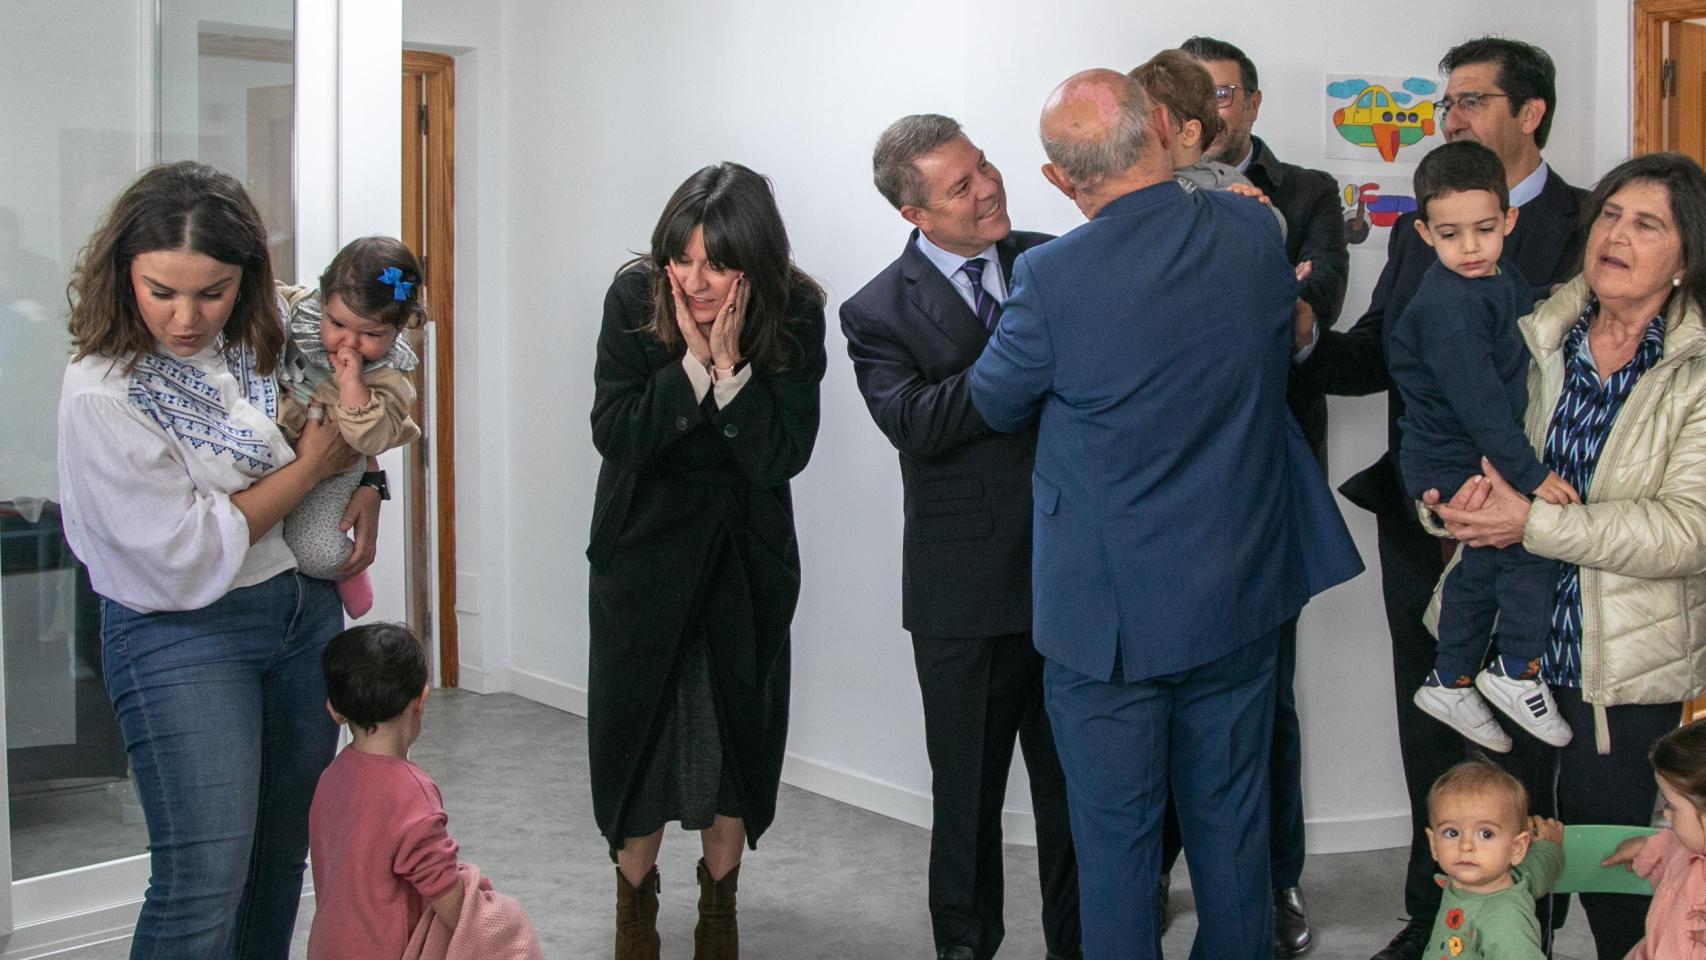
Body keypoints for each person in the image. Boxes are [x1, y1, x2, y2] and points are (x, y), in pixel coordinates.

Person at [969, 68, 1362, 960]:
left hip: (1108, 620)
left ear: (1059, 181)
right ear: (1161, 128)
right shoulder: (1251, 231)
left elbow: (995, 401)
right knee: (1231, 826)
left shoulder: (1050, 276)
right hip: (1238, 590)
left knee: (1116, 844)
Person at [1291, 37, 1587, 960]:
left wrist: (1531, 491)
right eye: (1446, 103)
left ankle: (1522, 926)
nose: (1449, 117)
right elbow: (1383, 348)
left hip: (1533, 517)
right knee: (1437, 712)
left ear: (1528, 114)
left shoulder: (1589, 224)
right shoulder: (1420, 225)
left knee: (1530, 718)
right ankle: (1437, 921)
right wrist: (1302, 335)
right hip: (1427, 518)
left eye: (1468, 102)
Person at [56, 160, 380, 958]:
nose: (186, 317)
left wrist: (366, 474)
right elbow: (185, 554)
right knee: (203, 886)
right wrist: (309, 468)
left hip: (301, 614)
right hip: (180, 634)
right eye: (161, 290)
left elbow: (355, 389)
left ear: (248, 279)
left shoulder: (274, 327)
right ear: (122, 273)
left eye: (213, 292)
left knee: (277, 867)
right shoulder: (103, 391)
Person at [1426, 151, 1706, 960]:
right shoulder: (1533, 321)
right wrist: (1446, 504)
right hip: (1496, 653)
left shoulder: (1693, 370)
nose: (1615, 234)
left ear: (1685, 257)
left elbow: (1686, 531)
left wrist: (1534, 527)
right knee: (1494, 880)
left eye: (1646, 224)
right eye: (1610, 214)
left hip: (1617, 673)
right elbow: (1452, 429)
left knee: (1616, 877)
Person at [840, 114, 1080, 960]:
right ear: (915, 214)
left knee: (1077, 797)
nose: (988, 190)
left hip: (1074, 575)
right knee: (968, 798)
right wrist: (1019, 359)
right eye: (960, 186)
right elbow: (914, 423)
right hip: (964, 595)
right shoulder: (872, 311)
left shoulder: (1056, 260)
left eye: (984, 168)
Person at [587, 161, 826, 960]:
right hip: (642, 561)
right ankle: (634, 912)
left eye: (716, 263)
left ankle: (719, 911)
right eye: (681, 259)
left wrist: (730, 376)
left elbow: (781, 456)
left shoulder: (795, 313)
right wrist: (689, 367)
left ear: (753, 263)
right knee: (639, 746)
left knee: (735, 743)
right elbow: (617, 435)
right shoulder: (634, 299)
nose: (694, 279)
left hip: (743, 564)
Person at [1170, 38, 1353, 954]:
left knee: (1263, 699)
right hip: (1164, 490)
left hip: (1266, 486)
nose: (1211, 110)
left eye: (1226, 93)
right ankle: (1166, 870)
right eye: (1193, 94)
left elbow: (1315, 305)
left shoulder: (1309, 191)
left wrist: (1276, 298)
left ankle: (1272, 884)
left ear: (1250, 101)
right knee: (1159, 685)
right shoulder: (1141, 192)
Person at [1391, 141, 1577, 753]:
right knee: (1534, 539)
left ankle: (1450, 677)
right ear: (1424, 233)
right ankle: (1515, 668)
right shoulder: (1448, 306)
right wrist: (1530, 474)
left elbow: (1527, 323)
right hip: (1455, 455)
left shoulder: (1501, 277)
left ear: (1509, 221)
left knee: (1482, 563)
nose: (1470, 248)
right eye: (1450, 234)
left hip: (1472, 449)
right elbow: (1480, 405)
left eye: (1484, 229)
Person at [276, 236, 425, 618]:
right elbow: (269, 293)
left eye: (371, 334)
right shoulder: (299, 311)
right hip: (281, 451)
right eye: (337, 323)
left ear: (398, 329)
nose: (349, 342)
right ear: (322, 302)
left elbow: (369, 438)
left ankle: (351, 575)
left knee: (318, 551)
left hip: (338, 465)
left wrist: (352, 387)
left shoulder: (388, 375)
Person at [307, 622, 462, 960]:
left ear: (334, 709)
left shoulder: (330, 778)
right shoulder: (412, 792)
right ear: (420, 699)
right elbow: (448, 896)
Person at [1129, 50, 1287, 239]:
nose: (1134, 133)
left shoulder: (1221, 179)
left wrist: (1256, 206)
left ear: (1189, 134)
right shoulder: (1131, 179)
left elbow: (1275, 232)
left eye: (1147, 122)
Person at [1421, 761, 1564, 960]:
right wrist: (1549, 848)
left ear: (1517, 848)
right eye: (1452, 832)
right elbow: (1537, 871)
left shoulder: (1506, 920)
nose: (1465, 845)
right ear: (1434, 844)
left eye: (1486, 834)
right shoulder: (1470, 880)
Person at [1603, 717, 1706, 959]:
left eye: (1672, 806)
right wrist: (1647, 846)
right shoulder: (1684, 848)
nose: (1666, 814)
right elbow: (1670, 848)